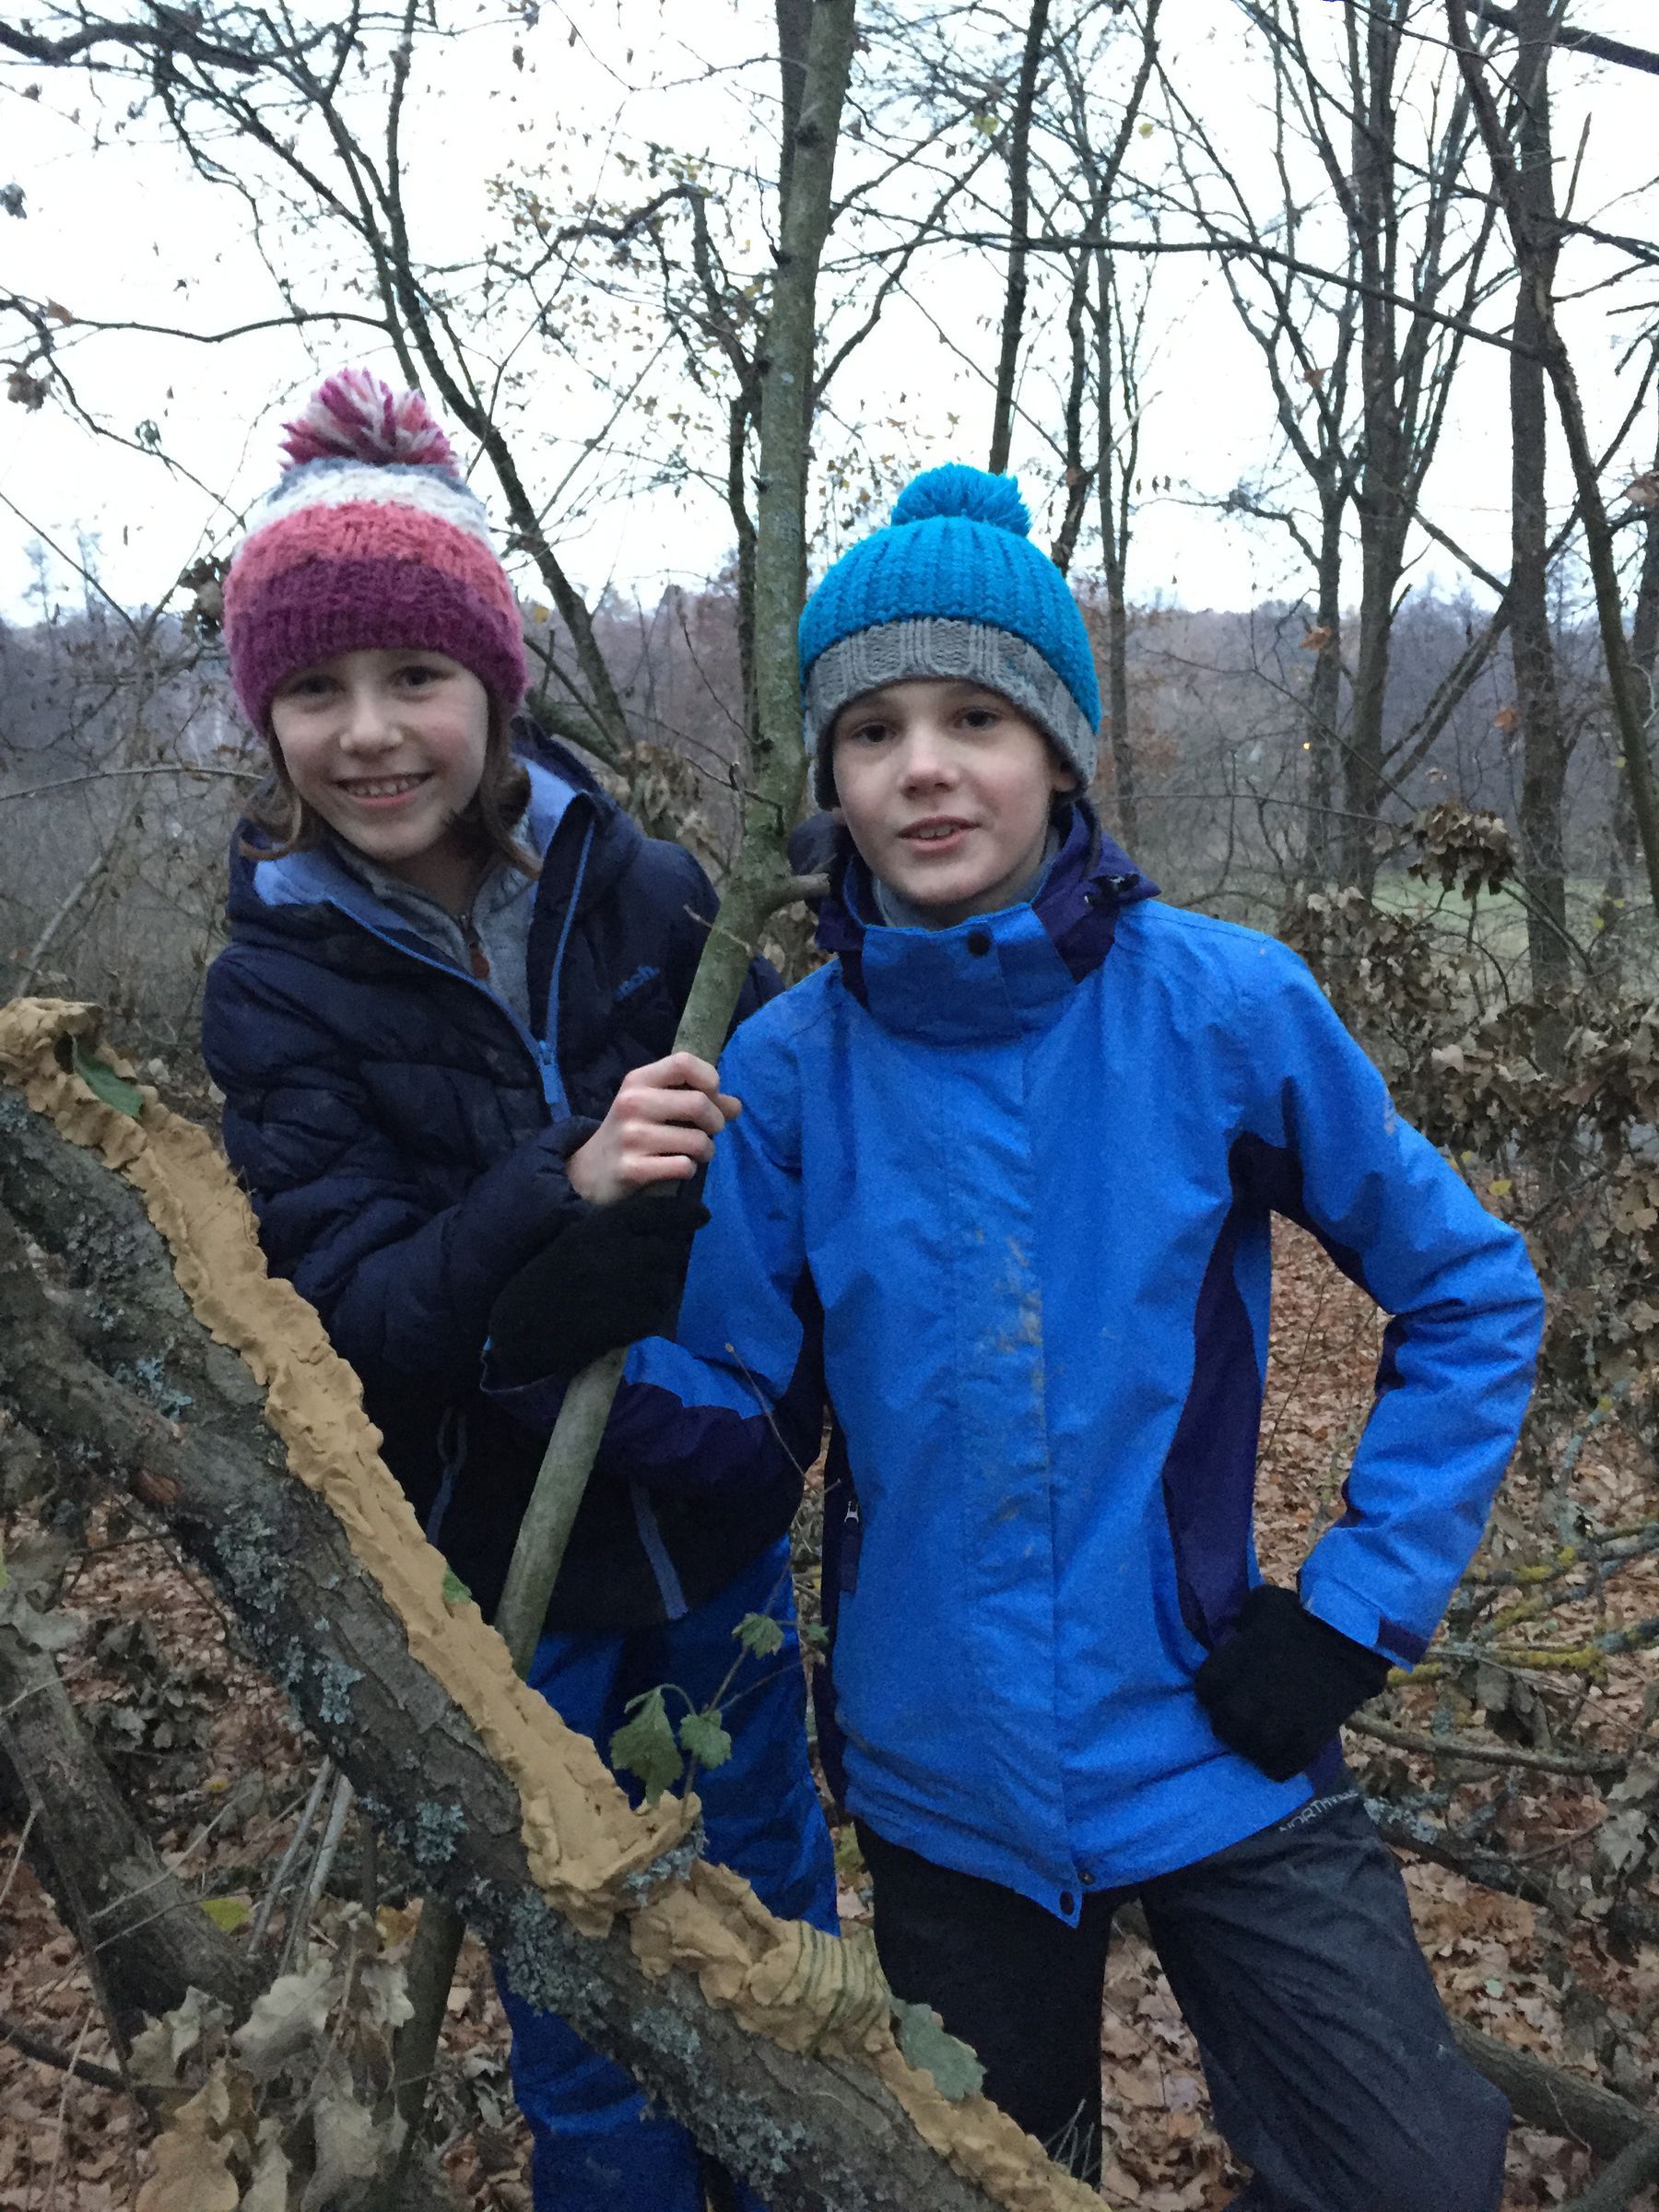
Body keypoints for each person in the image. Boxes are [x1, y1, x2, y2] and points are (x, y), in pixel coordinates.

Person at [490, 465, 1545, 2209]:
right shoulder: (790, 1071)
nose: (924, 765)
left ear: (1059, 748)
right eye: (875, 728)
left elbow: (1472, 1289)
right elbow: (736, 1422)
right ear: (829, 779)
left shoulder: (1226, 1011)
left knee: (1412, 2172)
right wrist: (555, 1321)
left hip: (1222, 1742)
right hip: (940, 1788)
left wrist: (1353, 1614)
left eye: (976, 715)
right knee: (985, 2188)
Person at [201, 368, 836, 2212]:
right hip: (505, 1574)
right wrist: (553, 1184)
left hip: (710, 1526)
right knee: (583, 1995)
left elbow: (781, 1154)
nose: (369, 733)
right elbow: (365, 1317)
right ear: (267, 719)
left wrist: (765, 1429)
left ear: (495, 689)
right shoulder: (278, 984)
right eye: (314, 691)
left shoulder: (643, 889)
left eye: (415, 680)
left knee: (781, 1928)